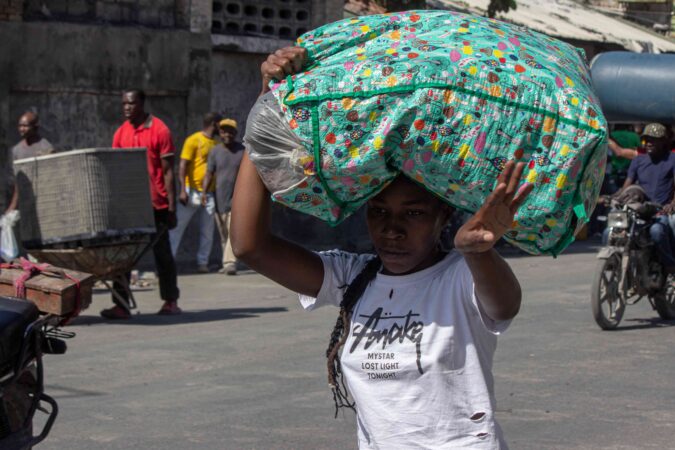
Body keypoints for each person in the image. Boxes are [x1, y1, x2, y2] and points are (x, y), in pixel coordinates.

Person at [230, 47, 534, 449]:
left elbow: (505, 304)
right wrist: (266, 105)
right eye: (379, 212)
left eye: (412, 214)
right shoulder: (351, 279)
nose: (392, 230)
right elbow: (250, 246)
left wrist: (478, 252)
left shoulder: (459, 278)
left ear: (444, 216)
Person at [101, 89, 181, 319]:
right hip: (130, 206)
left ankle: (170, 301)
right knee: (122, 257)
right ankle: (121, 305)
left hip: (157, 205)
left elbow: (168, 172)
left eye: (131, 103)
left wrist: (172, 207)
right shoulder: (121, 133)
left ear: (142, 103)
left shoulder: (159, 130)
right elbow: (116, 169)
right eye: (124, 104)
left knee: (162, 254)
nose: (126, 107)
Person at [617, 123, 675, 270]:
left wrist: (672, 203)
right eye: (646, 139)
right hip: (639, 210)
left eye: (653, 140)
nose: (648, 143)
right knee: (612, 231)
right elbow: (627, 185)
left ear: (663, 142)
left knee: (657, 232)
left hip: (661, 210)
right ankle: (616, 265)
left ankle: (670, 267)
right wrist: (615, 198)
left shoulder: (672, 159)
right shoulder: (638, 160)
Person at [169, 112, 222, 273]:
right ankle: (169, 261)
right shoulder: (193, 140)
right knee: (177, 228)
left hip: (209, 194)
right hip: (191, 192)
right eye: (220, 124)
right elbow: (183, 165)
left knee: (207, 231)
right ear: (214, 123)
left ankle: (202, 263)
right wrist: (183, 190)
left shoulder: (216, 143)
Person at [201, 118, 244, 275]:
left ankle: (230, 262)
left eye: (230, 131)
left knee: (232, 232)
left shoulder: (243, 151)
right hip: (219, 199)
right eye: (224, 131)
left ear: (235, 133)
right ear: (220, 133)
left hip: (237, 199)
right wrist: (204, 193)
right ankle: (226, 263)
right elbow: (209, 173)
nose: (227, 134)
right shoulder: (215, 151)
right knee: (224, 234)